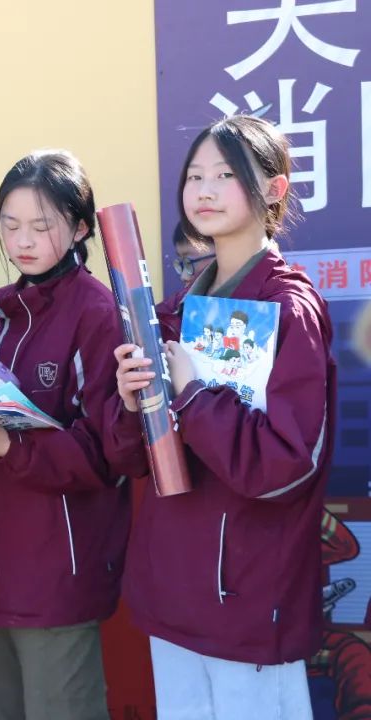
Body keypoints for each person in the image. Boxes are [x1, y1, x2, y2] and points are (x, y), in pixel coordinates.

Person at [108, 115, 336, 718]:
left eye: (225, 175)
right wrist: (130, 404)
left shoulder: (288, 308)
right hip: (172, 593)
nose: (203, 191)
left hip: (248, 599)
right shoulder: (171, 313)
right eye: (194, 176)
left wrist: (192, 395)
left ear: (274, 190)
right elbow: (127, 457)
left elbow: (286, 467)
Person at [0, 150, 128, 720]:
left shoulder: (98, 313)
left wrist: (6, 445)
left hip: (56, 575)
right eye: (10, 224)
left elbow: (107, 457)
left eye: (41, 226)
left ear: (81, 226)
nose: (22, 240)